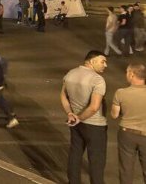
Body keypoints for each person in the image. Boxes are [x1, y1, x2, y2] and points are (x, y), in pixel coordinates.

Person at [61, 50, 108, 184]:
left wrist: (70, 113)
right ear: (92, 61)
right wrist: (80, 117)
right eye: (102, 61)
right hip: (95, 126)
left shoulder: (71, 73)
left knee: (75, 154)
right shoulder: (97, 79)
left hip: (75, 123)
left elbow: (63, 96)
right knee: (96, 161)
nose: (105, 65)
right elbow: (94, 107)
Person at [111, 63, 146, 184]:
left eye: (127, 72)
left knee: (126, 169)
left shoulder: (120, 93)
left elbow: (114, 115)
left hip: (127, 134)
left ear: (131, 74)